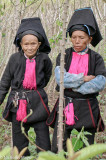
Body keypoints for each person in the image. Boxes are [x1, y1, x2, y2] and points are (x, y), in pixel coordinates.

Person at [47, 7, 106, 153]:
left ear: (90, 39)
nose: (77, 41)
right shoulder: (64, 55)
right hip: (65, 103)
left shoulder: (96, 58)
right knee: (58, 145)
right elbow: (60, 78)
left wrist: (71, 85)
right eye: (74, 37)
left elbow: (100, 82)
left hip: (88, 105)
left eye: (82, 37)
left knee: (87, 147)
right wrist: (83, 78)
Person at [0, 17, 52, 156]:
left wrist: (35, 91)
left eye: (33, 44)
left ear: (39, 44)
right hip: (18, 105)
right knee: (19, 143)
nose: (30, 47)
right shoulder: (14, 59)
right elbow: (5, 82)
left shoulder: (45, 59)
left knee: (44, 142)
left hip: (38, 103)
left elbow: (47, 77)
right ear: (21, 44)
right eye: (26, 44)